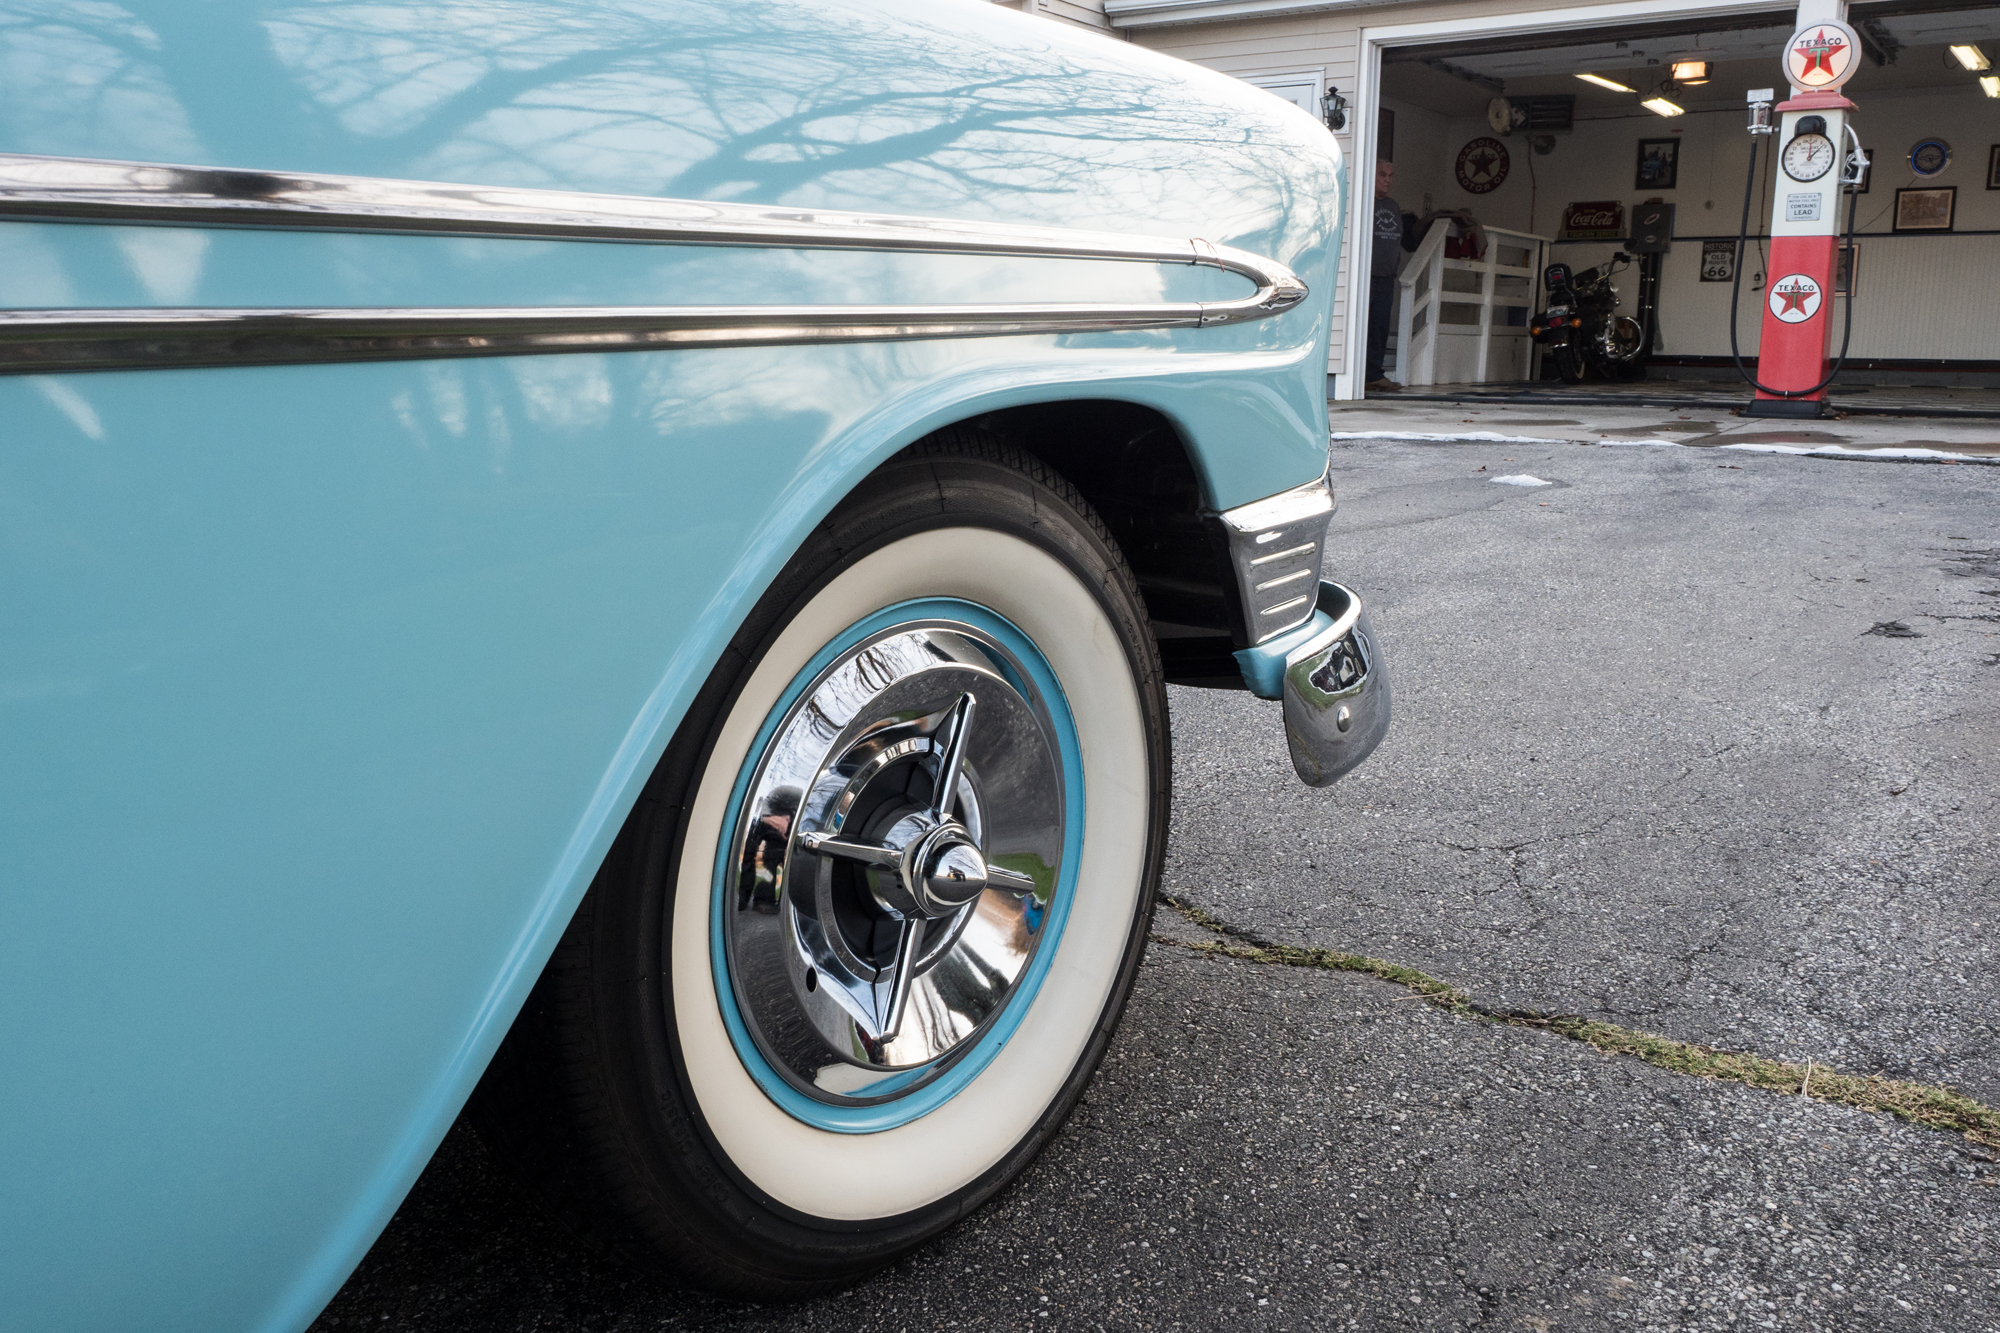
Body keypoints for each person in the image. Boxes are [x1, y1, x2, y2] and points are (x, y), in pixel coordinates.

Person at [1365, 159, 1412, 393]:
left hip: (1386, 278)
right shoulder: (1363, 203)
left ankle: (1374, 375)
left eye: (1391, 175)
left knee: (1380, 327)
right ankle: (1358, 374)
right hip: (1365, 278)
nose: (1387, 179)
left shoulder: (1393, 206)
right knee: (1362, 327)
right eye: (1382, 174)